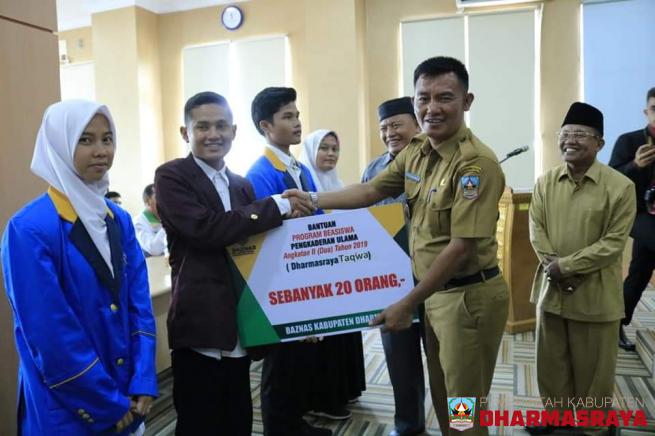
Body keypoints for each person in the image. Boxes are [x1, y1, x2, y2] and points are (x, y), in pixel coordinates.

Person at [285, 56, 509, 436]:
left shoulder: (476, 165)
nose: (432, 108)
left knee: (464, 405)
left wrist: (407, 303)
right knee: (444, 393)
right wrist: (312, 199)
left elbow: (461, 248)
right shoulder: (418, 149)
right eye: (424, 98)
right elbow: (372, 190)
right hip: (436, 296)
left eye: (445, 97)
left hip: (467, 300)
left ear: (466, 101)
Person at [155, 91, 312, 436]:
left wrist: (298, 316)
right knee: (198, 424)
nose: (213, 134)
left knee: (238, 421)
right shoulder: (171, 177)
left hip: (240, 326)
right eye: (203, 126)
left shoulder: (241, 186)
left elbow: (262, 256)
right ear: (185, 133)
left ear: (234, 131)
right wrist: (277, 206)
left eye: (221, 126)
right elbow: (205, 230)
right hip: (201, 326)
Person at [1, 100, 158, 435]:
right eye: (85, 140)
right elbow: (50, 335)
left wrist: (143, 378)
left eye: (107, 139)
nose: (101, 150)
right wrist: (105, 402)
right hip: (70, 406)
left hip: (127, 394)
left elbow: (139, 305)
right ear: (59, 145)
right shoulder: (29, 229)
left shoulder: (118, 220)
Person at [527, 102, 635, 436]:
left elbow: (613, 243)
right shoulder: (545, 182)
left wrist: (567, 267)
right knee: (551, 363)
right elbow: (536, 230)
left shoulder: (620, 187)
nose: (570, 140)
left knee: (594, 370)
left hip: (595, 296)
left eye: (580, 135)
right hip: (552, 291)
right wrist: (555, 268)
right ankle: (555, 417)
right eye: (565, 133)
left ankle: (595, 428)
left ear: (599, 143)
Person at [246, 87, 331, 436]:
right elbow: (266, 232)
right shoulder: (260, 173)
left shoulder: (300, 169)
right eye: (287, 117)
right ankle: (279, 429)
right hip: (282, 278)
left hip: (306, 272)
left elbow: (317, 215)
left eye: (297, 115)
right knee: (281, 365)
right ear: (266, 126)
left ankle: (295, 424)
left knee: (301, 361)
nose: (297, 123)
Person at [361, 97, 425, 436]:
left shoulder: (435, 163)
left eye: (397, 125)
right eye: (384, 127)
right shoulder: (373, 171)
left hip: (437, 280)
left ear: (417, 124)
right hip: (390, 284)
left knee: (452, 368)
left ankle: (461, 427)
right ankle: (408, 425)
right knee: (400, 362)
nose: (390, 133)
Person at [299, 129, 366, 420]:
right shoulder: (306, 187)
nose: (330, 154)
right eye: (324, 148)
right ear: (311, 151)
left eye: (335, 148)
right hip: (317, 283)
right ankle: (323, 400)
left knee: (344, 336)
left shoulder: (338, 187)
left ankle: (346, 389)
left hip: (342, 280)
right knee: (324, 343)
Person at [609, 87, 655, 352]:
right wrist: (635, 166)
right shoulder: (629, 141)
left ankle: (616, 323)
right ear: (645, 111)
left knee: (640, 270)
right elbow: (612, 181)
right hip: (637, 213)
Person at [134, 184, 167, 257]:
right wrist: (168, 224)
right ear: (148, 202)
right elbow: (153, 249)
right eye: (159, 197)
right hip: (151, 263)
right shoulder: (138, 222)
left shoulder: (164, 217)